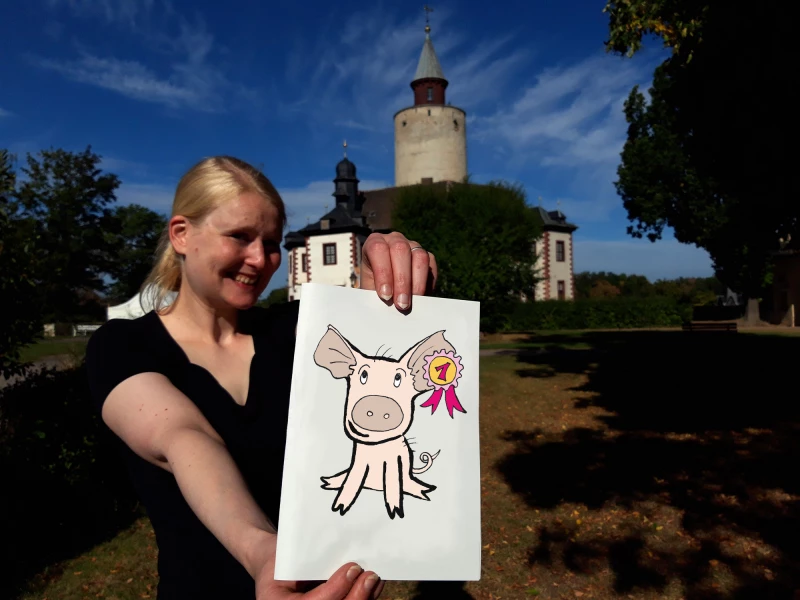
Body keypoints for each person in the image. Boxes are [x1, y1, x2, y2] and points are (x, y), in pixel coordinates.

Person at [85, 156, 438, 600]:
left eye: (272, 243)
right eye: (239, 237)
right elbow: (182, 434)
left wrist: (388, 265)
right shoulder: (122, 345)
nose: (261, 259)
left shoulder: (297, 332)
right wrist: (263, 554)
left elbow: (386, 329)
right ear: (181, 234)